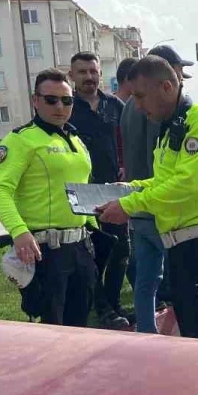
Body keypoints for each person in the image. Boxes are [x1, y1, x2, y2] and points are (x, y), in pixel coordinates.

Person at [98, 55, 198, 341]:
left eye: (140, 96)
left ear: (165, 87)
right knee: (191, 336)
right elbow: (165, 181)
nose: (136, 105)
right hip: (181, 247)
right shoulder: (171, 126)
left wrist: (128, 205)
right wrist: (129, 189)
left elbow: (186, 185)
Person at [0, 68, 96, 326]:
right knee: (52, 331)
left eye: (67, 100)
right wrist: (18, 231)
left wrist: (95, 229)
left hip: (80, 247)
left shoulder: (75, 139)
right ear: (35, 101)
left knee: (82, 327)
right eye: (51, 100)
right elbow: (0, 190)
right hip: (46, 251)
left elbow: (81, 188)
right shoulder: (21, 140)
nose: (60, 106)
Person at [118, 45, 189, 333]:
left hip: (137, 203)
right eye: (179, 69)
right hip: (159, 204)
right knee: (181, 276)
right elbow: (164, 162)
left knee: (146, 280)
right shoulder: (162, 113)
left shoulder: (127, 110)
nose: (182, 76)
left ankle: (146, 334)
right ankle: (189, 332)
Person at [69, 51, 130, 330]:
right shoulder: (67, 107)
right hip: (83, 193)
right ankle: (101, 308)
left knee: (120, 250)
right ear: (72, 76)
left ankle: (113, 304)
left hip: (113, 190)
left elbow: (130, 138)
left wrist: (127, 165)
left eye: (93, 72)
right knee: (94, 254)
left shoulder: (114, 105)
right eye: (82, 72)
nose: (89, 77)